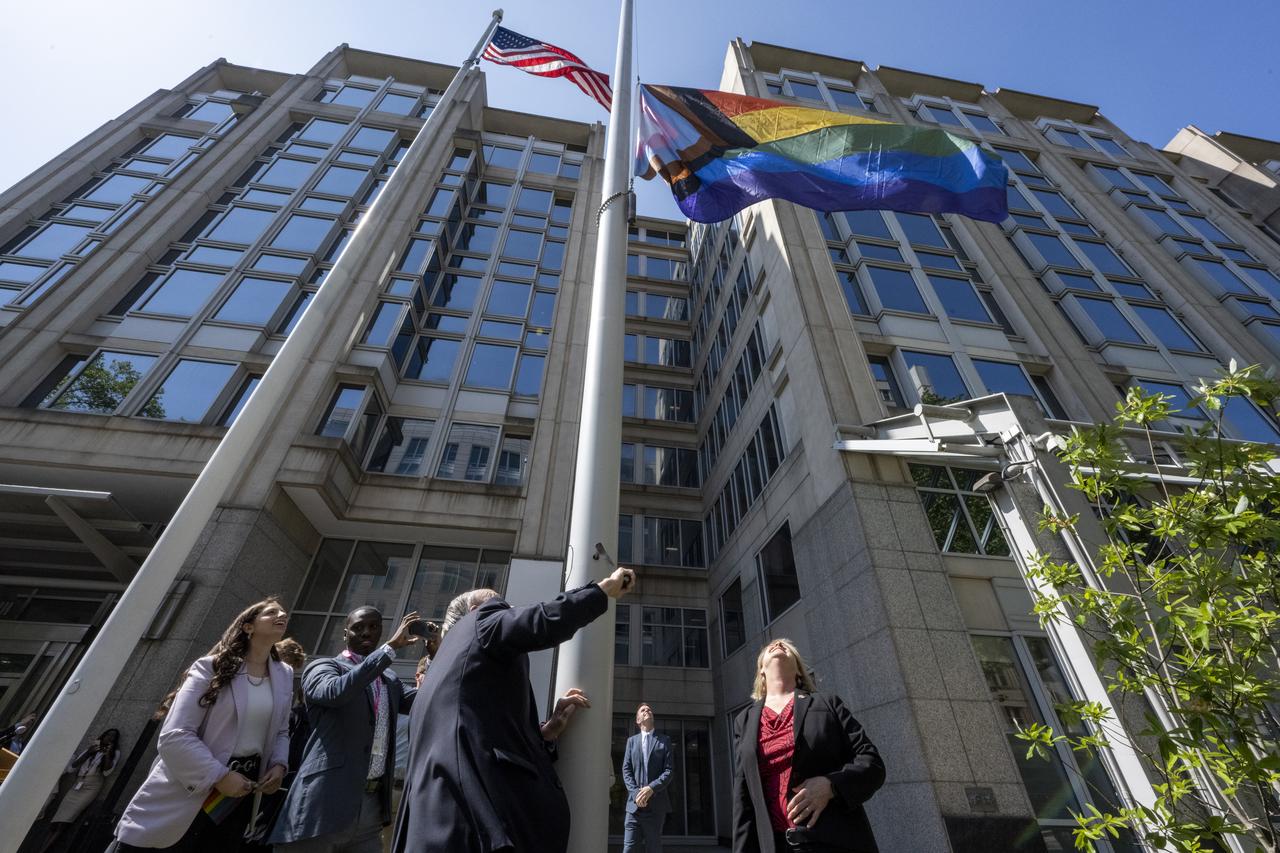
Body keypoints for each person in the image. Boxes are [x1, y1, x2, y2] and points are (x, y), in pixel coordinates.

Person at [392, 565, 637, 853]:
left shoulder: (445, 668)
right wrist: (601, 590)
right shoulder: (479, 623)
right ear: (476, 608)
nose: (508, 610)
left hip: (438, 823)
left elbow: (478, 728)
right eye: (501, 605)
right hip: (474, 824)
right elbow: (540, 619)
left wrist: (543, 734)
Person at [112, 598, 293, 852]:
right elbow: (175, 736)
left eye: (283, 611)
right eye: (271, 612)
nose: (282, 614)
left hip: (241, 792)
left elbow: (282, 729)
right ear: (248, 627)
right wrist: (219, 775)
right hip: (195, 784)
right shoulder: (211, 667)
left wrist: (278, 765)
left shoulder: (284, 674)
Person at [268, 607, 421, 853]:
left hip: (370, 809)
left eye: (373, 627)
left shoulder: (390, 679)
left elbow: (428, 698)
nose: (366, 633)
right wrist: (389, 649)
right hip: (324, 803)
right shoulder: (324, 667)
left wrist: (438, 654)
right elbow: (335, 692)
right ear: (345, 634)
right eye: (358, 627)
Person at [732, 639, 885, 853]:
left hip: (833, 843)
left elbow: (872, 762)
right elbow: (743, 795)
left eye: (786, 646)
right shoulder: (744, 720)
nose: (778, 644)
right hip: (774, 846)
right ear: (761, 673)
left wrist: (831, 785)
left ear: (798, 670)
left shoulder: (827, 703)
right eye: (770, 647)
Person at [39, 728, 121, 852]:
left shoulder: (115, 752)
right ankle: (42, 847)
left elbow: (107, 772)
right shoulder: (92, 748)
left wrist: (108, 754)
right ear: (102, 736)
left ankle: (45, 850)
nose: (110, 738)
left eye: (113, 737)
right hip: (77, 785)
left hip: (91, 787)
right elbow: (72, 767)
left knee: (64, 823)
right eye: (108, 735)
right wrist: (89, 752)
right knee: (55, 821)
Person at [621, 703, 674, 853]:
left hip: (656, 807)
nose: (647, 711)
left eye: (649, 709)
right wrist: (636, 794)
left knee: (654, 848)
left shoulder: (665, 740)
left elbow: (669, 771)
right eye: (643, 710)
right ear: (638, 720)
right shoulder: (631, 742)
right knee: (629, 848)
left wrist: (651, 788)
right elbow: (626, 770)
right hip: (634, 808)